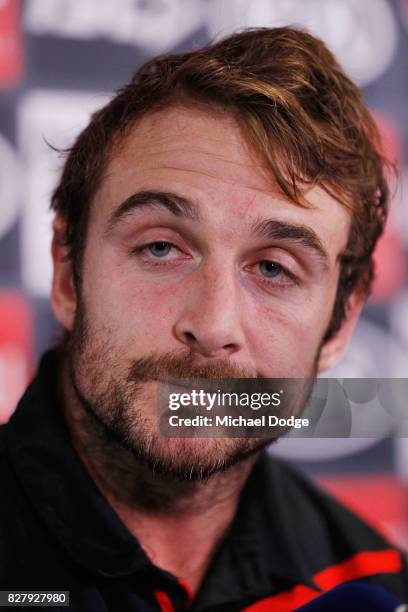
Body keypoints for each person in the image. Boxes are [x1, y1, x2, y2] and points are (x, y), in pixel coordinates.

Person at [1, 26, 407, 611]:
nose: (214, 327)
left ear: (341, 324)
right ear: (68, 274)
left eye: (274, 269)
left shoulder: (372, 579)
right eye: (161, 248)